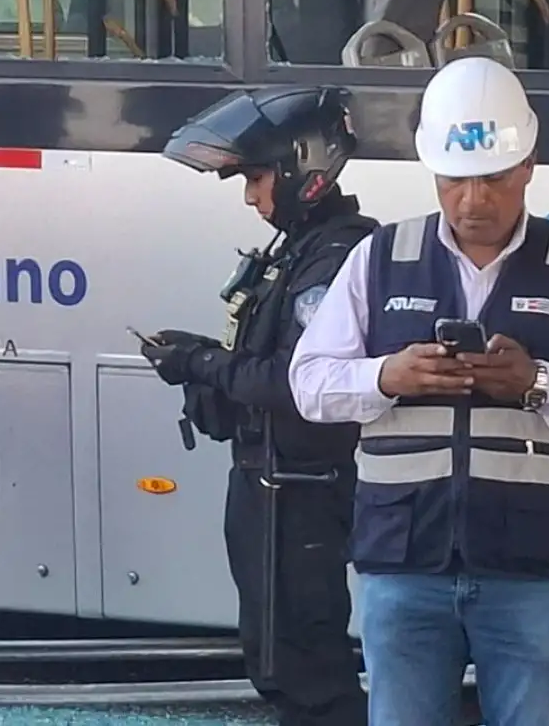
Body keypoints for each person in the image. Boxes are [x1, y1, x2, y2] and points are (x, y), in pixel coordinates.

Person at [286, 56, 549, 726]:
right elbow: (309, 382)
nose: (473, 200)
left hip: (532, 571)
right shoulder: (380, 256)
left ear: (528, 167)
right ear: (433, 171)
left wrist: (539, 382)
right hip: (402, 566)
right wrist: (385, 376)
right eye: (456, 181)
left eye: (492, 179)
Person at [146, 86, 377, 726]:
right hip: (270, 485)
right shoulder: (299, 248)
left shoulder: (336, 255)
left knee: (307, 669)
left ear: (303, 167)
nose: (250, 195)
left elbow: (295, 384)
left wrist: (198, 363)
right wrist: (201, 362)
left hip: (301, 489)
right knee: (276, 658)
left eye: (255, 177)